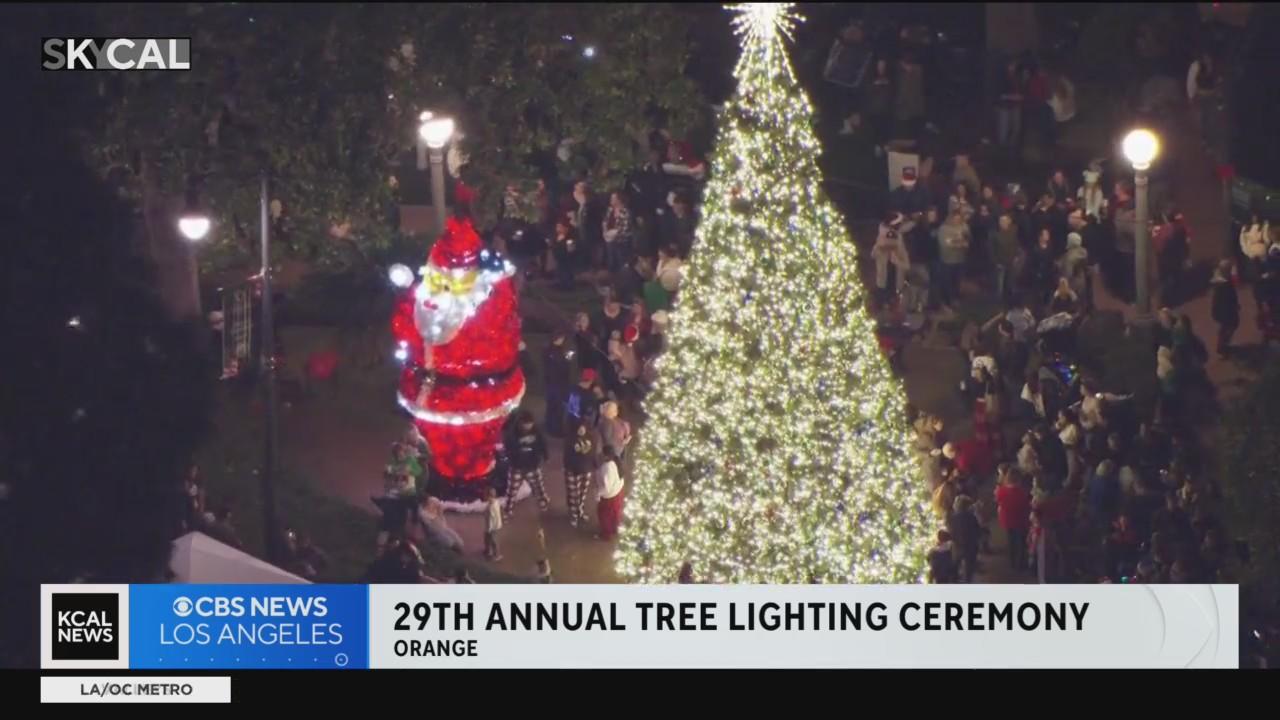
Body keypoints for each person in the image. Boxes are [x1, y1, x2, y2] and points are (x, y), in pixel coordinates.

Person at [504, 411, 550, 518]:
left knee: (538, 486)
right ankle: (508, 509)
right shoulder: (513, 434)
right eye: (526, 424)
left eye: (530, 424)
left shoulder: (537, 432)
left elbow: (542, 444)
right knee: (512, 490)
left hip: (532, 465)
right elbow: (509, 448)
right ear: (521, 423)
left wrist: (545, 456)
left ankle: (543, 504)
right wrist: (514, 458)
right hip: (517, 467)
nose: (528, 426)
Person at [994, 465, 1031, 573]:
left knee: (1011, 540)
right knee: (1021, 542)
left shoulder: (1001, 491)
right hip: (1020, 520)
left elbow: (998, 501)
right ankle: (1020, 563)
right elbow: (1027, 506)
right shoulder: (1022, 493)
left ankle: (1012, 561)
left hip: (1007, 519)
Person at [564, 419, 599, 529]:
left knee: (582, 493)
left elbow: (593, 453)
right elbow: (567, 456)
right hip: (573, 470)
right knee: (573, 494)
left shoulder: (592, 438)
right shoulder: (570, 439)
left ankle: (580, 511)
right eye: (579, 428)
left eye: (583, 428)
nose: (581, 430)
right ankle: (573, 515)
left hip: (586, 469)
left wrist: (594, 465)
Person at [872, 213, 911, 307]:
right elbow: (873, 254)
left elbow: (906, 265)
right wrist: (881, 249)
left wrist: (896, 260)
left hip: (896, 286)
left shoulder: (899, 243)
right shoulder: (881, 240)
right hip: (882, 285)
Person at [936, 209, 970, 311]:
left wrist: (959, 243)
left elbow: (967, 241)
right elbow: (945, 244)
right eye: (955, 219)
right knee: (947, 282)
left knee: (957, 282)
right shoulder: (944, 229)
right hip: (947, 260)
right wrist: (958, 243)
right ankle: (946, 302)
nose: (957, 221)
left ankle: (955, 300)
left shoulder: (964, 227)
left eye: (959, 219)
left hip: (960, 259)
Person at [947, 496, 981, 582]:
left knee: (955, 565)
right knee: (969, 568)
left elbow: (951, 532)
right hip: (970, 545)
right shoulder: (971, 517)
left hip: (957, 545)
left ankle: (954, 581)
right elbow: (977, 530)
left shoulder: (952, 518)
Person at [1210, 259, 1240, 358]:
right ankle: (1222, 348)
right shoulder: (1222, 284)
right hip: (1225, 311)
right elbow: (1223, 299)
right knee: (1229, 327)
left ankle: (1223, 346)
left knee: (1226, 328)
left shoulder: (1225, 281)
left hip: (1226, 310)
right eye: (1229, 269)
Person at [596, 448, 625, 541]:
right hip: (618, 491)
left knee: (604, 516)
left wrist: (598, 494)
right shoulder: (616, 462)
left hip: (609, 496)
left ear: (605, 456)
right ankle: (614, 528)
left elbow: (607, 487)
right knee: (615, 513)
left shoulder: (606, 468)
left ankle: (606, 534)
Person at [602, 190, 634, 275]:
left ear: (620, 199)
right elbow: (605, 222)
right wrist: (606, 233)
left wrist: (615, 235)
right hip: (609, 241)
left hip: (621, 242)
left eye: (614, 198)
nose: (611, 200)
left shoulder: (626, 212)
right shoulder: (610, 210)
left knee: (622, 263)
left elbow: (626, 228)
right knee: (611, 262)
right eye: (611, 198)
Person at [550, 217, 580, 289]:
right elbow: (554, 245)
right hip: (559, 257)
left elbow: (571, 250)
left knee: (566, 271)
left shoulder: (571, 237)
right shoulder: (557, 236)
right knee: (560, 271)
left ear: (565, 228)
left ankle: (568, 285)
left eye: (560, 227)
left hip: (566, 259)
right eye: (557, 227)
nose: (558, 229)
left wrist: (563, 243)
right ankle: (561, 283)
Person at [482, 487, 503, 562]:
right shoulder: (495, 503)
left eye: (486, 496)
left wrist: (489, 529)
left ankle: (497, 555)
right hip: (492, 526)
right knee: (487, 538)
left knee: (494, 540)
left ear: (490, 496)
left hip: (493, 527)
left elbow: (491, 519)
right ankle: (488, 550)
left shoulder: (492, 507)